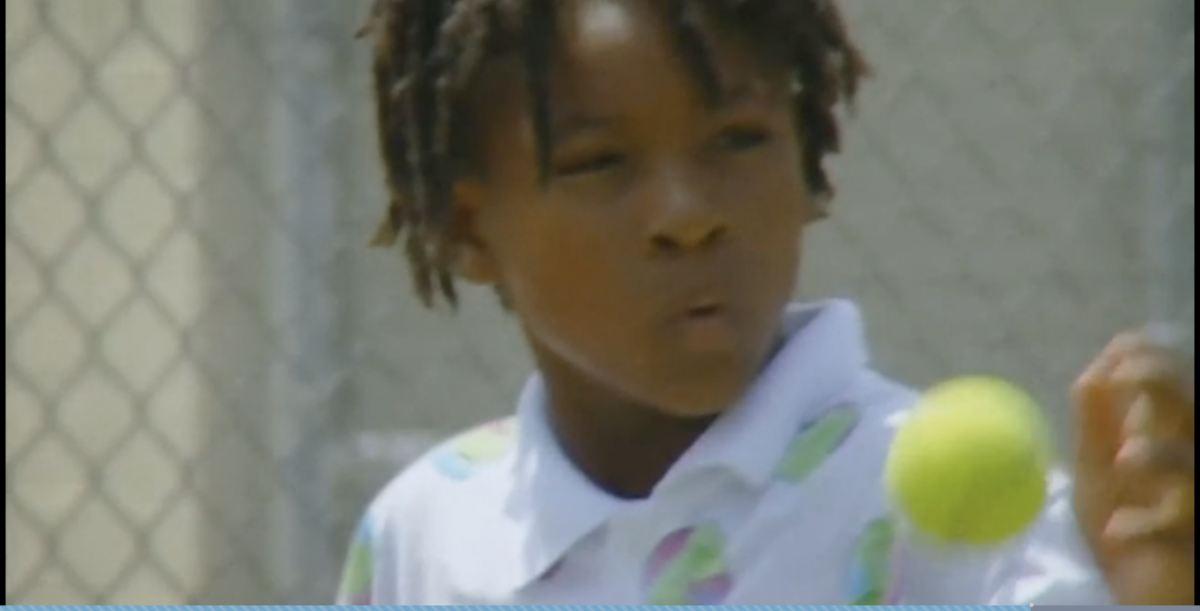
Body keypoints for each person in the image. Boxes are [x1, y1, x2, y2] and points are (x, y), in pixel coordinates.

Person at [335, 0, 1195, 604]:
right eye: (601, 163)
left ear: (807, 167)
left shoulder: (968, 531)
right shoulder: (429, 531)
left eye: (738, 140)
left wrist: (1159, 591)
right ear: (468, 228)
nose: (688, 215)